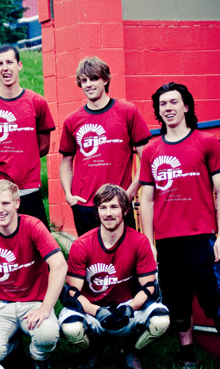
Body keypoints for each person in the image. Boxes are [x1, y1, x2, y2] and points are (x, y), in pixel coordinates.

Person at [139, 82, 220, 369]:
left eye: (174, 102)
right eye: (163, 104)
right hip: (167, 241)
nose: (169, 108)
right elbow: (146, 199)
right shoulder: (150, 150)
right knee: (178, 304)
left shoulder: (207, 141)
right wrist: (149, 241)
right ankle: (189, 360)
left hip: (201, 238)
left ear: (186, 106)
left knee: (219, 302)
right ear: (158, 112)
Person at [58, 184, 170, 369]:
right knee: (71, 328)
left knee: (161, 320)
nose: (108, 213)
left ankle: (131, 349)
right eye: (103, 207)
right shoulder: (81, 244)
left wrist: (130, 307)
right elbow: (72, 292)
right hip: (93, 311)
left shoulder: (140, 241)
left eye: (114, 207)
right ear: (97, 212)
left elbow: (150, 287)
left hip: (126, 308)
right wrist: (96, 311)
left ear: (125, 210)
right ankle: (93, 348)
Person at [0, 180, 67, 369]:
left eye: (5, 203)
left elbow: (60, 265)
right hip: (1, 305)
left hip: (34, 303)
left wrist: (46, 308)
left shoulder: (33, 226)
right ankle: (12, 343)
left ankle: (39, 356)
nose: (0, 210)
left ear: (17, 203)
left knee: (47, 335)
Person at [59, 56, 151, 236]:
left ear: (106, 79)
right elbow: (66, 164)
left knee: (124, 259)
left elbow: (146, 158)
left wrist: (129, 193)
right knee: (92, 262)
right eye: (83, 80)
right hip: (84, 205)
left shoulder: (127, 112)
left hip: (118, 204)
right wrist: (69, 196)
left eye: (94, 78)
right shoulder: (72, 120)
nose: (88, 84)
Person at [0, 45, 56, 228]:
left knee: (38, 244)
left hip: (28, 187)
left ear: (19, 65)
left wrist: (23, 160)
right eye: (0, 64)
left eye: (10, 62)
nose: (5, 68)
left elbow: (43, 146)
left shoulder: (37, 102)